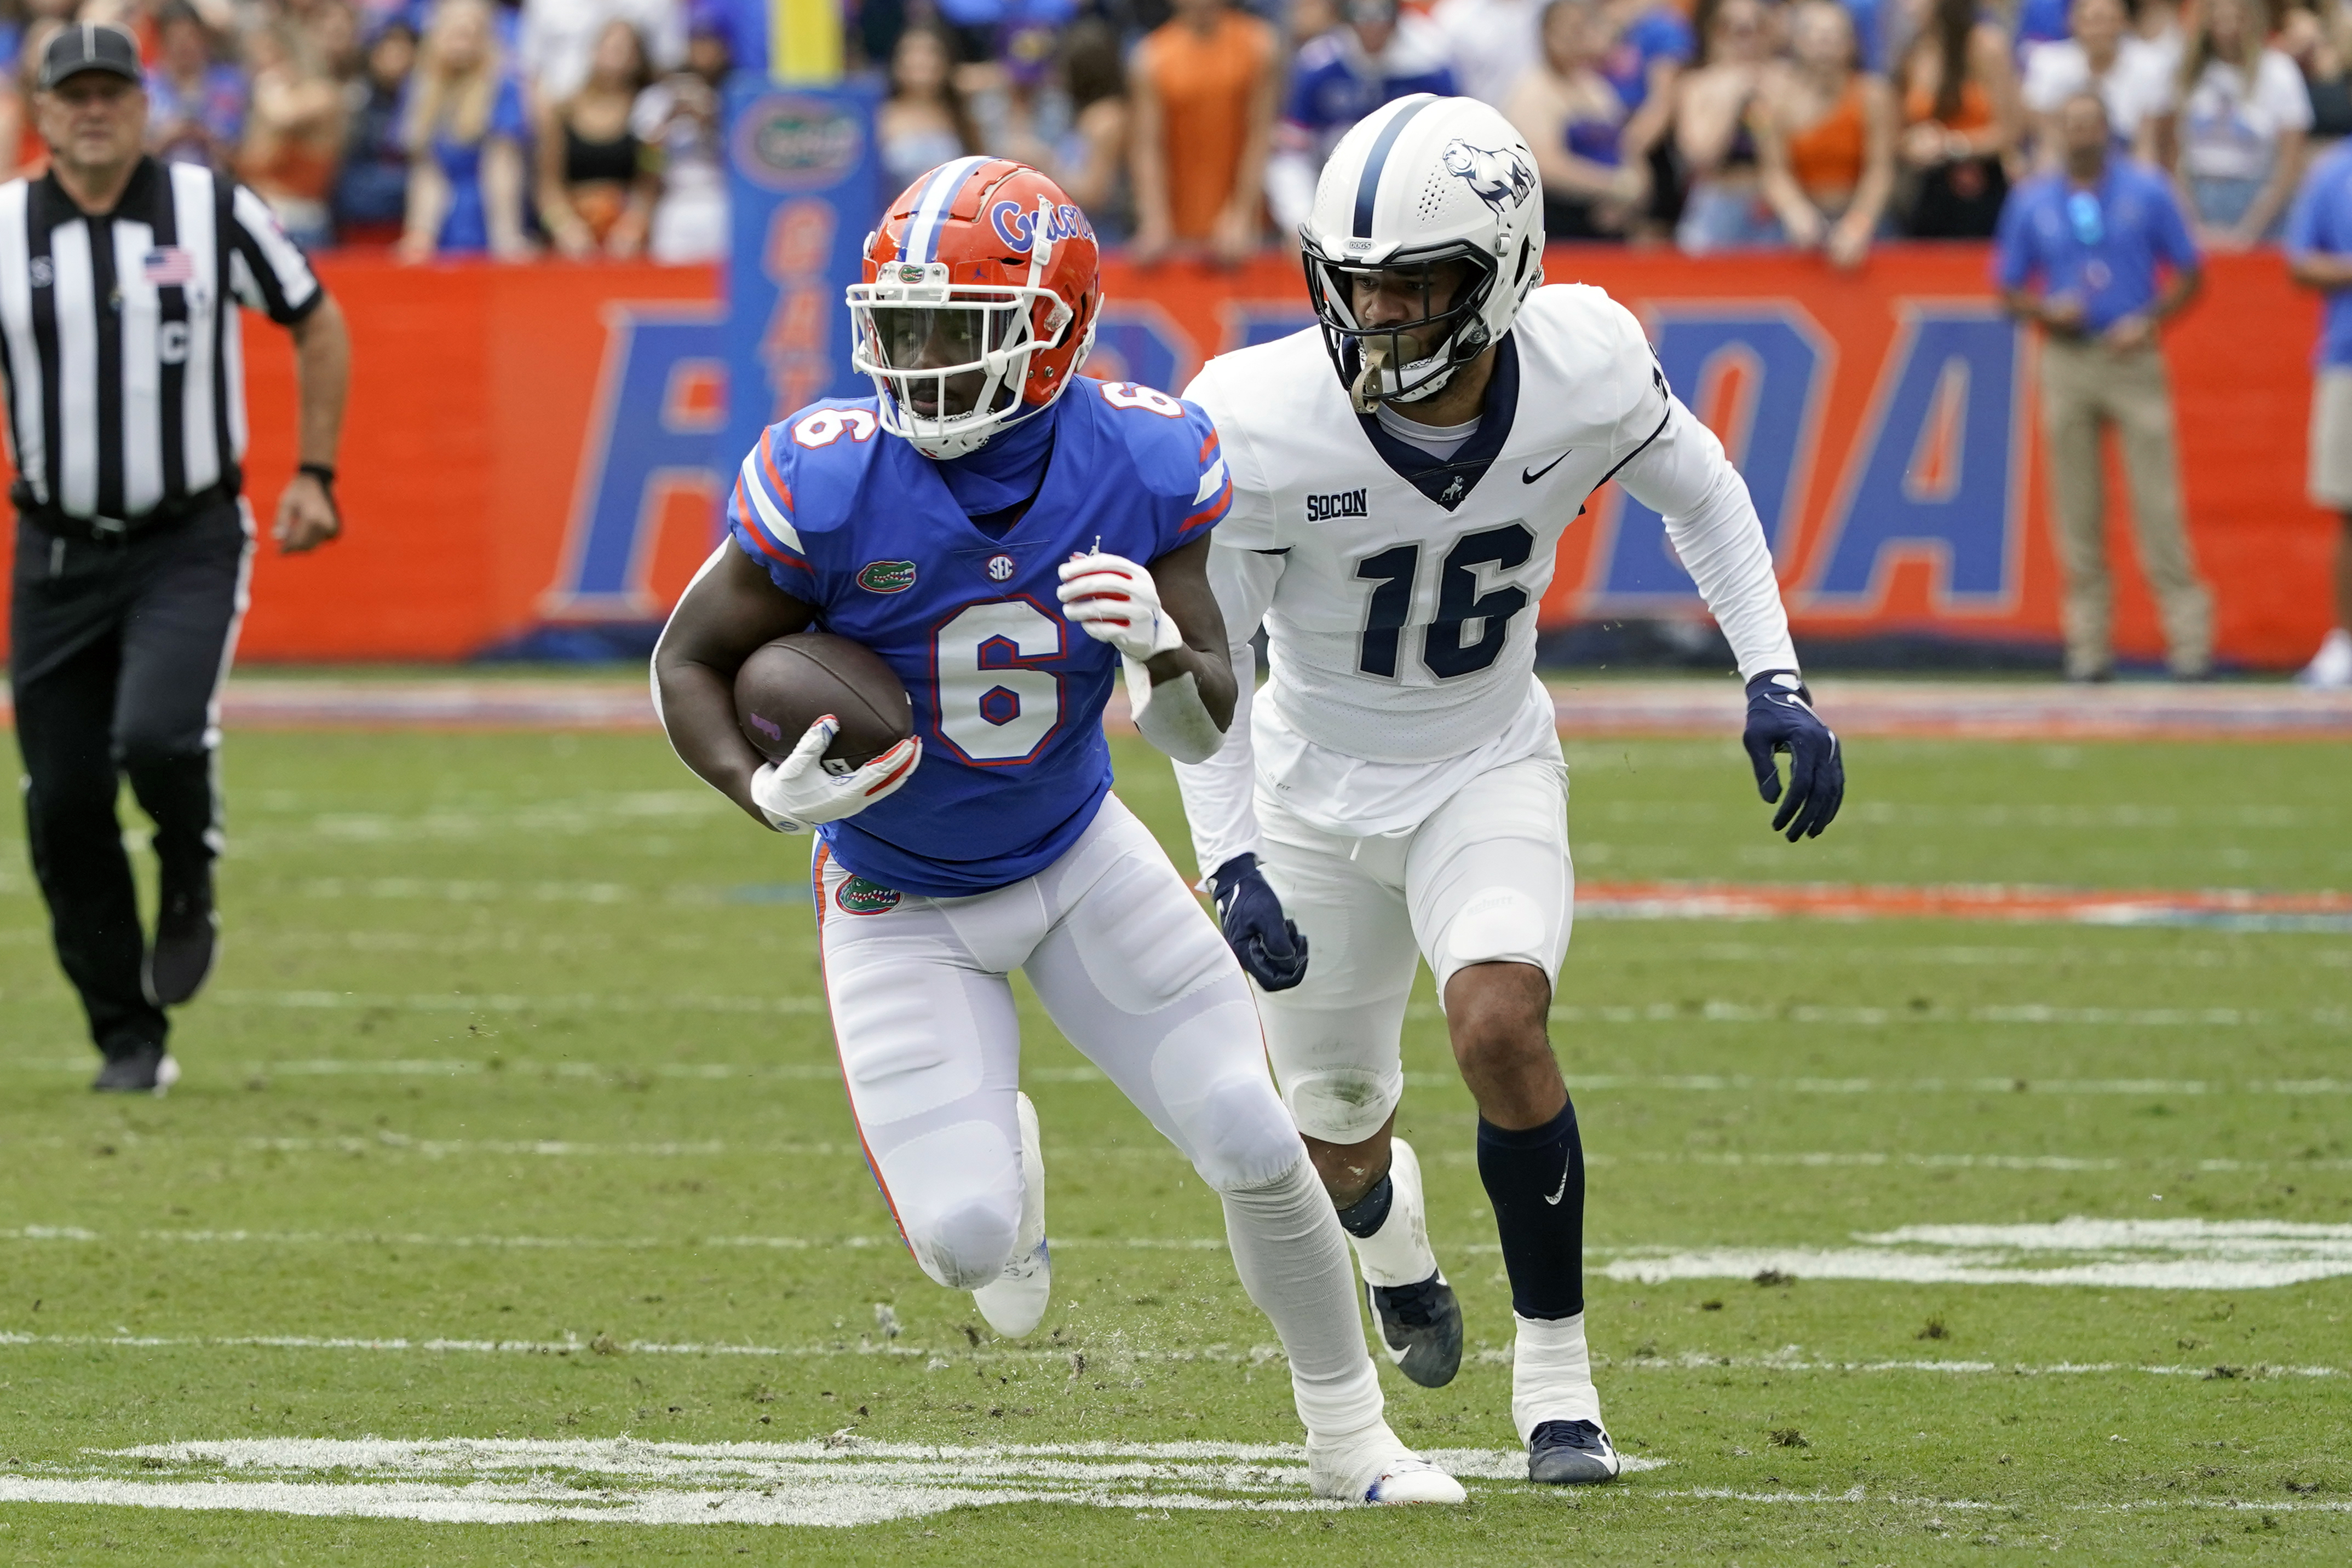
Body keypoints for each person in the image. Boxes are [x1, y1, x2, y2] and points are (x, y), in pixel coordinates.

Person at [648, 155, 1467, 1509]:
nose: (916, 362)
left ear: (1052, 331)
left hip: (1078, 855)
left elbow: (1207, 723)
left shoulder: (1142, 458)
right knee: (968, 1243)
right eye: (898, 329)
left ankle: (1352, 1440)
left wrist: (1157, 648)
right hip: (894, 897)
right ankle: (1004, 1185)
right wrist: (756, 787)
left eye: (953, 331)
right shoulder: (830, 477)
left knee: (1255, 1140)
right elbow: (688, 659)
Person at [1169, 94, 1844, 1488]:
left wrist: (1772, 677)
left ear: (1501, 271)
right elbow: (1209, 667)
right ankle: (1393, 1247)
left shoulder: (1587, 359)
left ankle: (1559, 1389)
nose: (1383, 320)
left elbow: (1701, 490)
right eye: (1357, 288)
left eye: (1416, 287)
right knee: (1337, 1127)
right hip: (1303, 788)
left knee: (1497, 1019)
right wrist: (1229, 857)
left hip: (1480, 759)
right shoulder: (1255, 416)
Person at [3, 24, 350, 1093]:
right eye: (75, 95)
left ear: (143, 103)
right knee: (61, 801)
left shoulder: (208, 207)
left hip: (186, 537)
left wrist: (315, 471)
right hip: (56, 547)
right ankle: (126, 1033)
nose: (93, 110)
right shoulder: (7, 226)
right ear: (42, 110)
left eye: (112, 91)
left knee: (155, 734)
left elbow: (316, 318)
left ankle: (189, 863)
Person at [1996, 90, 2211, 681]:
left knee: (2157, 506)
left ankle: (2188, 643)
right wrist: (2044, 310)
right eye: (2071, 125)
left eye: (2090, 124)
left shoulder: (2145, 190)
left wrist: (2147, 318)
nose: (2081, 135)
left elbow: (2191, 272)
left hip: (2132, 356)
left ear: (2106, 130)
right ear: (2058, 133)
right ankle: (2087, 649)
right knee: (2075, 511)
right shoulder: (2033, 200)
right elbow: (2008, 286)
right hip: (2065, 358)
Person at [1129, 0, 1279, 266]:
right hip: (1177, 228)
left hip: (1243, 236)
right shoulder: (1151, 57)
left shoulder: (1258, 45)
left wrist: (1241, 213)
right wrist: (1155, 219)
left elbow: (1260, 136)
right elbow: (1148, 146)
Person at [1757, 0, 1896, 265]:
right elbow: (1772, 170)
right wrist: (1794, 211)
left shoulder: (1874, 96)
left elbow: (1880, 169)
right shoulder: (1769, 101)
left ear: (1851, 44)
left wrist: (1858, 224)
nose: (1825, 46)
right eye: (1815, 36)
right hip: (1800, 220)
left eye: (1834, 37)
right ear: (1797, 42)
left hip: (1862, 215)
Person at [2286, 134, 2352, 685]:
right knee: (2347, 507)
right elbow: (2299, 262)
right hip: (2346, 355)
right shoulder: (2333, 172)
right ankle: (2345, 641)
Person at [2172, 0, 2314, 247]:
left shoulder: (2279, 71)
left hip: (2260, 199)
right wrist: (2191, 224)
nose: (2229, 28)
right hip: (2197, 195)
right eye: (2220, 19)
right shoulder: (2187, 72)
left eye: (2238, 18)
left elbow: (2292, 163)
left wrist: (2250, 231)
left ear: (2253, 21)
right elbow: (2174, 156)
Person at [398, 0, 531, 261]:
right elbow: (427, 171)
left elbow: (502, 166)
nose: (462, 44)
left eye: (471, 35)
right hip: (444, 218)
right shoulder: (420, 89)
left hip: (486, 216)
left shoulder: (503, 87)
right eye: (456, 34)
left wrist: (506, 237)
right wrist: (420, 234)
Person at [1505, 0, 1647, 239]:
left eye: (1581, 28)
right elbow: (1545, 166)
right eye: (1565, 29)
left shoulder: (1597, 89)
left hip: (1611, 221)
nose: (1573, 37)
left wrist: (1634, 190)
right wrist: (1612, 187)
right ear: (1545, 33)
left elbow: (1626, 148)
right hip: (1561, 224)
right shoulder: (1533, 91)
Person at [1893, 0, 2021, 238]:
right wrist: (1911, 145)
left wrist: (1949, 145)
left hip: (1985, 186)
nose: (1906, 6)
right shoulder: (1913, 53)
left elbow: (2011, 131)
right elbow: (1898, 133)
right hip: (1927, 191)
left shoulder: (1985, 46)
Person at [534, 18, 655, 258]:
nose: (615, 57)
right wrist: (563, 227)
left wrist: (633, 227)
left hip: (625, 236)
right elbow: (547, 185)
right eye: (609, 48)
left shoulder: (648, 112)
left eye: (624, 51)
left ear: (637, 60)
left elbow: (650, 183)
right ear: (594, 51)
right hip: (571, 231)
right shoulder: (563, 112)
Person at [1673, 0, 1785, 251]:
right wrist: (1733, 93)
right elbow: (1699, 156)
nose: (1744, 40)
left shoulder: (1783, 81)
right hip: (1717, 200)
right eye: (1731, 28)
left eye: (1754, 28)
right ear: (1713, 32)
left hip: (1772, 204)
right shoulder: (1696, 85)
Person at [2021, 0, 2173, 166]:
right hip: (2068, 165)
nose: (2098, 31)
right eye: (2090, 21)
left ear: (2123, 22)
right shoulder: (2047, 63)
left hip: (2127, 162)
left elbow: (2147, 145)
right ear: (2072, 23)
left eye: (2107, 21)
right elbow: (2049, 143)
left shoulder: (2151, 66)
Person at [238, 20, 347, 250]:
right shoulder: (264, 105)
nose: (261, 66)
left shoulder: (323, 95)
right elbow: (254, 160)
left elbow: (283, 116)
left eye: (269, 56)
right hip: (258, 217)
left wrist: (268, 87)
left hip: (300, 221)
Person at [632, 8, 729, 263]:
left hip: (721, 201)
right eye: (697, 43)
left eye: (711, 44)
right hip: (673, 203)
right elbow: (645, 168)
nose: (703, 53)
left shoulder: (735, 97)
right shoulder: (658, 98)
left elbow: (748, 165)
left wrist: (710, 123)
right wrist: (665, 125)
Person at [332, 19, 416, 239]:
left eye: (403, 53)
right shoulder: (355, 98)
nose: (396, 61)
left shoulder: (422, 101)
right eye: (388, 52)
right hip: (358, 218)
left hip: (408, 221)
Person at [877, 26, 977, 195]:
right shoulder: (879, 116)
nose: (921, 60)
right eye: (912, 52)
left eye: (931, 53)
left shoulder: (962, 116)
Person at [146, 3, 246, 171]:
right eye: (175, 39)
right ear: (163, 41)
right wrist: (168, 139)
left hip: (219, 180)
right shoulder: (145, 85)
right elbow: (133, 157)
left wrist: (206, 138)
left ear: (203, 38)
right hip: (159, 183)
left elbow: (246, 153)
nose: (184, 46)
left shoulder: (231, 83)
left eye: (190, 37)